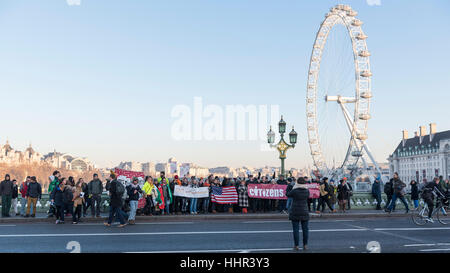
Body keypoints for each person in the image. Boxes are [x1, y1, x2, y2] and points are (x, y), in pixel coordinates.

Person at [287, 177, 310, 251]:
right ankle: (305, 245)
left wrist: (290, 187)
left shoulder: (294, 191)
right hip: (304, 211)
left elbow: (287, 194)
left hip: (295, 211)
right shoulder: (307, 191)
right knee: (305, 229)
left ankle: (296, 245)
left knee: (296, 229)